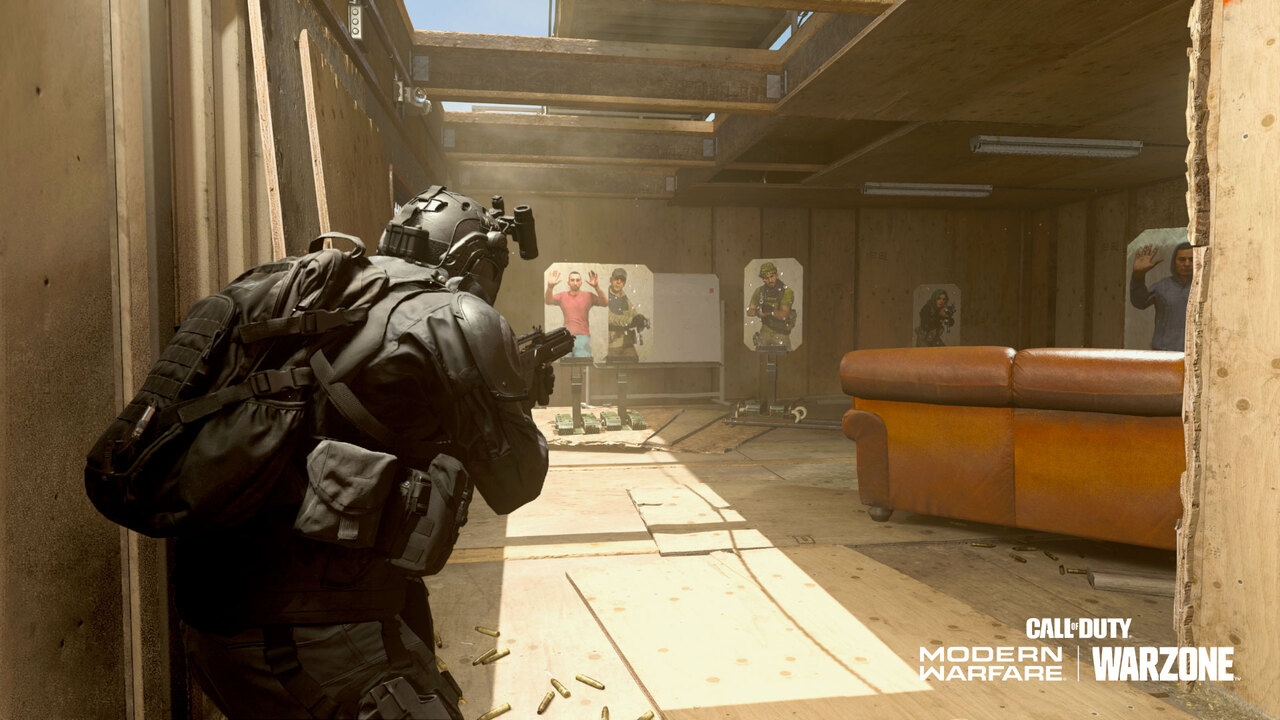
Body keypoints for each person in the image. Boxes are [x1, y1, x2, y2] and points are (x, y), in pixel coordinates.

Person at [179, 187, 549, 719]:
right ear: (476, 261)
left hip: (211, 621)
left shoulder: (309, 286)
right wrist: (517, 392)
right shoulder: (455, 315)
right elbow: (516, 480)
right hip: (316, 632)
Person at [1130, 241, 1193, 351]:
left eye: (1191, 259)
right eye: (1182, 259)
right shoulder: (1163, 287)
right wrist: (1138, 275)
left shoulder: (1205, 288)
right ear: (1174, 262)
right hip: (1164, 352)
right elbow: (1139, 302)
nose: (1187, 264)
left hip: (1196, 352)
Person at [545, 268, 607, 357]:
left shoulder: (588, 296)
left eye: (577, 280)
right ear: (568, 282)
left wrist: (596, 287)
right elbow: (548, 301)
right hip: (566, 337)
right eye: (572, 280)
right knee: (565, 362)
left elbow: (605, 303)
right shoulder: (562, 296)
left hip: (583, 336)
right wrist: (550, 287)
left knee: (581, 362)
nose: (575, 283)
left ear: (581, 283)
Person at [747, 261, 796, 351]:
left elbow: (784, 314)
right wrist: (757, 312)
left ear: (777, 275)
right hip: (765, 332)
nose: (770, 280)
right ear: (763, 279)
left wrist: (771, 312)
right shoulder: (760, 291)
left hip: (781, 334)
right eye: (766, 278)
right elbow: (749, 311)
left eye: (772, 276)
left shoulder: (786, 291)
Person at [605, 267, 649, 362]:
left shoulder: (624, 298)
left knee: (633, 362)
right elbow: (609, 318)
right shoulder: (605, 296)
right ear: (611, 280)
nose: (618, 282)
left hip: (627, 341)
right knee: (613, 366)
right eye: (616, 279)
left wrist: (640, 318)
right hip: (613, 343)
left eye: (622, 280)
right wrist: (631, 320)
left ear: (624, 283)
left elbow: (632, 313)